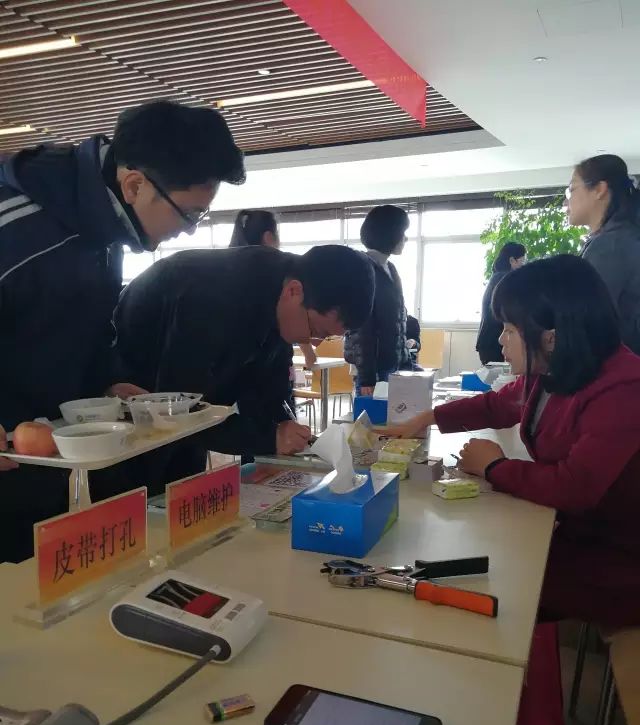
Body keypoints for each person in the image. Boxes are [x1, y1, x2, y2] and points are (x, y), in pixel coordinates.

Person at [0, 99, 245, 562]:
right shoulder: (18, 225)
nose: (190, 231)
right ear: (134, 185)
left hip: (48, 453)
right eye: (189, 214)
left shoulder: (105, 232)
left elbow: (89, 328)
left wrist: (111, 379)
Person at [381, 255, 640, 628]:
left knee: (484, 584)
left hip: (613, 556)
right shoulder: (553, 368)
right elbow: (498, 405)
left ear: (551, 337)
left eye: (509, 330)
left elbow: (575, 486)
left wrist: (494, 466)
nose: (499, 340)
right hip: (570, 530)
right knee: (469, 554)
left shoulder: (623, 388)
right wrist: (427, 418)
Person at [114, 245, 374, 489]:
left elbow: (269, 385)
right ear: (294, 291)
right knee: (143, 495)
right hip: (131, 395)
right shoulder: (215, 297)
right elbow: (179, 412)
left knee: (184, 491)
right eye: (316, 330)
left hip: (186, 394)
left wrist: (284, 430)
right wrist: (267, 438)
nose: (314, 342)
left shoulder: (284, 291)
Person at [566, 153, 640, 353]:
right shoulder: (623, 236)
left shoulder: (610, 246)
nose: (567, 202)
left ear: (600, 189)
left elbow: (587, 321)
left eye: (572, 190)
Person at [229, 209, 317, 371]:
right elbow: (295, 315)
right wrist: (309, 353)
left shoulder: (228, 267)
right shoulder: (279, 271)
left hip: (231, 360)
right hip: (271, 357)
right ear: (268, 237)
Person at [344, 205, 412, 395]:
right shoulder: (362, 268)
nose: (405, 238)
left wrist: (405, 361)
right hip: (372, 371)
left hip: (392, 365)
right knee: (373, 415)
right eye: (402, 232)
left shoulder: (391, 269)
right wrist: (367, 377)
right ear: (389, 233)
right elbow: (361, 326)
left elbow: (398, 318)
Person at [476, 242, 526, 365]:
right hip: (495, 343)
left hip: (488, 342)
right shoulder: (505, 279)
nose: (524, 265)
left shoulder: (497, 277)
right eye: (522, 261)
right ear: (512, 260)